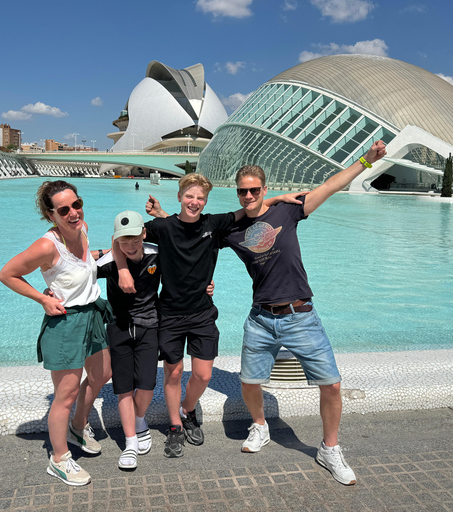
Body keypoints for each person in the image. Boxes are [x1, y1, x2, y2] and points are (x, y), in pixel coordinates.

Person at [218, 140, 387, 486]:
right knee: (249, 382)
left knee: (332, 384)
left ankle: (329, 448)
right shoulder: (233, 231)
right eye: (242, 192)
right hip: (261, 319)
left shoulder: (288, 211)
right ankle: (261, 426)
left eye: (254, 191)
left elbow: (331, 185)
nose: (248, 197)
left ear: (264, 188)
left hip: (300, 315)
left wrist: (366, 162)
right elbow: (194, 233)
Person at [118, 174, 304, 459]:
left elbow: (250, 210)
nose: (195, 202)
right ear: (180, 196)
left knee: (203, 374)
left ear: (206, 201)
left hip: (203, 313)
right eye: (190, 196)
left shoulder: (213, 225)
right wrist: (120, 269)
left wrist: (276, 199)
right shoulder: (161, 227)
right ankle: (176, 426)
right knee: (175, 372)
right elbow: (122, 237)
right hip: (169, 314)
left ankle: (187, 408)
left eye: (200, 198)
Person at [0, 180, 112, 487]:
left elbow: (87, 261)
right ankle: (59, 459)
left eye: (76, 204)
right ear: (51, 215)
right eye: (64, 210)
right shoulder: (47, 245)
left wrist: (115, 250)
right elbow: (7, 274)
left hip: (92, 314)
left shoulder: (83, 228)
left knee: (102, 374)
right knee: (66, 395)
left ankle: (77, 425)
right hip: (66, 322)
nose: (74, 213)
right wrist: (44, 298)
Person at [96, 211, 160, 470]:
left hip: (149, 327)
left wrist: (206, 286)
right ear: (116, 240)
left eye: (135, 238)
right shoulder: (108, 262)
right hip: (119, 328)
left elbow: (183, 271)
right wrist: (51, 291)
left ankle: (140, 419)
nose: (130, 245)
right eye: (124, 240)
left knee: (146, 385)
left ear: (144, 233)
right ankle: (130, 441)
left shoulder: (157, 254)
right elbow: (78, 279)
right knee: (123, 388)